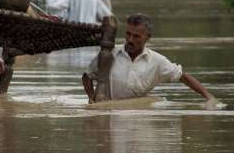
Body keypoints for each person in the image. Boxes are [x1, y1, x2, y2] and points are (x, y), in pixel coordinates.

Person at [83, 14, 214, 102]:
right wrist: (92, 98)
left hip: (138, 120)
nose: (130, 39)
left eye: (136, 36)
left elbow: (183, 77)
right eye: (128, 34)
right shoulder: (109, 54)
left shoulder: (157, 62)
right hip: (109, 116)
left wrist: (209, 98)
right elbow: (87, 76)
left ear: (147, 37)